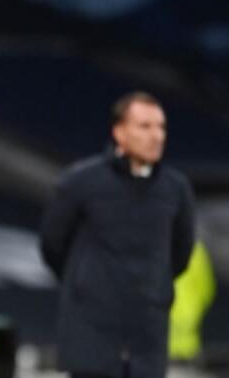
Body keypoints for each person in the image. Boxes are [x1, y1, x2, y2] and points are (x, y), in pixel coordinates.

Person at [40, 92, 195, 378]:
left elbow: (181, 253)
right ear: (119, 132)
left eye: (161, 127)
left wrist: (153, 287)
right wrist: (86, 283)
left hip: (147, 338)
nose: (156, 136)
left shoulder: (176, 188)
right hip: (91, 339)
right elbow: (52, 245)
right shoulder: (81, 182)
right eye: (145, 126)